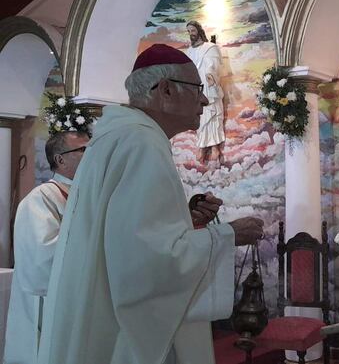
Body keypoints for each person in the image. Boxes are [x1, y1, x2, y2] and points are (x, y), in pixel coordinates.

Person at [36, 44, 264, 364]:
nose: (204, 99)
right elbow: (146, 262)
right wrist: (227, 235)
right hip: (126, 334)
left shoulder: (120, 137)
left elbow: (124, 234)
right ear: (166, 90)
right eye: (197, 89)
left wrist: (183, 217)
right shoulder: (141, 142)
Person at [4, 131, 88, 364]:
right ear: (60, 160)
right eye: (83, 150)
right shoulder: (41, 198)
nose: (91, 155)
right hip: (49, 307)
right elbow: (44, 258)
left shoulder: (89, 194)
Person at [185, 21, 225, 165]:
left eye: (193, 30)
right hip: (196, 88)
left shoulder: (210, 47)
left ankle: (215, 147)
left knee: (212, 114)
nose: (191, 34)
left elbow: (214, 66)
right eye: (188, 31)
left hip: (209, 87)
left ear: (199, 31)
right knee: (200, 117)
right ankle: (202, 145)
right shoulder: (189, 51)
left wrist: (211, 75)